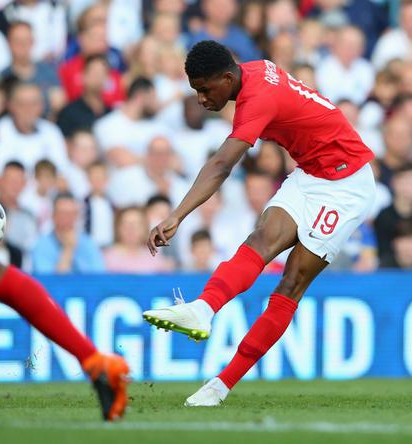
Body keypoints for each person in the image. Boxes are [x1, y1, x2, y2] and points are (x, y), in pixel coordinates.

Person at [143, 40, 375, 406]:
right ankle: (202, 310)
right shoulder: (252, 72)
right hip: (312, 174)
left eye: (205, 90)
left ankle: (219, 386)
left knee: (291, 281)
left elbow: (221, 165)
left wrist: (176, 215)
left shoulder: (257, 99)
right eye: (195, 91)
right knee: (262, 238)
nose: (202, 99)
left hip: (347, 185)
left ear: (226, 77)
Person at [32, 192, 106, 274]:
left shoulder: (88, 243)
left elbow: (98, 277)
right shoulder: (42, 245)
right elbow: (50, 282)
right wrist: (68, 249)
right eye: (64, 214)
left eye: (73, 214)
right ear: (53, 216)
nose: (69, 219)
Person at [104, 206, 174, 273]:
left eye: (137, 224)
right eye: (126, 224)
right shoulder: (105, 258)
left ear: (145, 228)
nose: (131, 229)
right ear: (117, 228)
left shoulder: (155, 258)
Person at [56, 54, 111, 139]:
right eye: (94, 73)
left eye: (103, 73)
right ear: (83, 76)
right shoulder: (69, 113)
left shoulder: (111, 113)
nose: (98, 77)